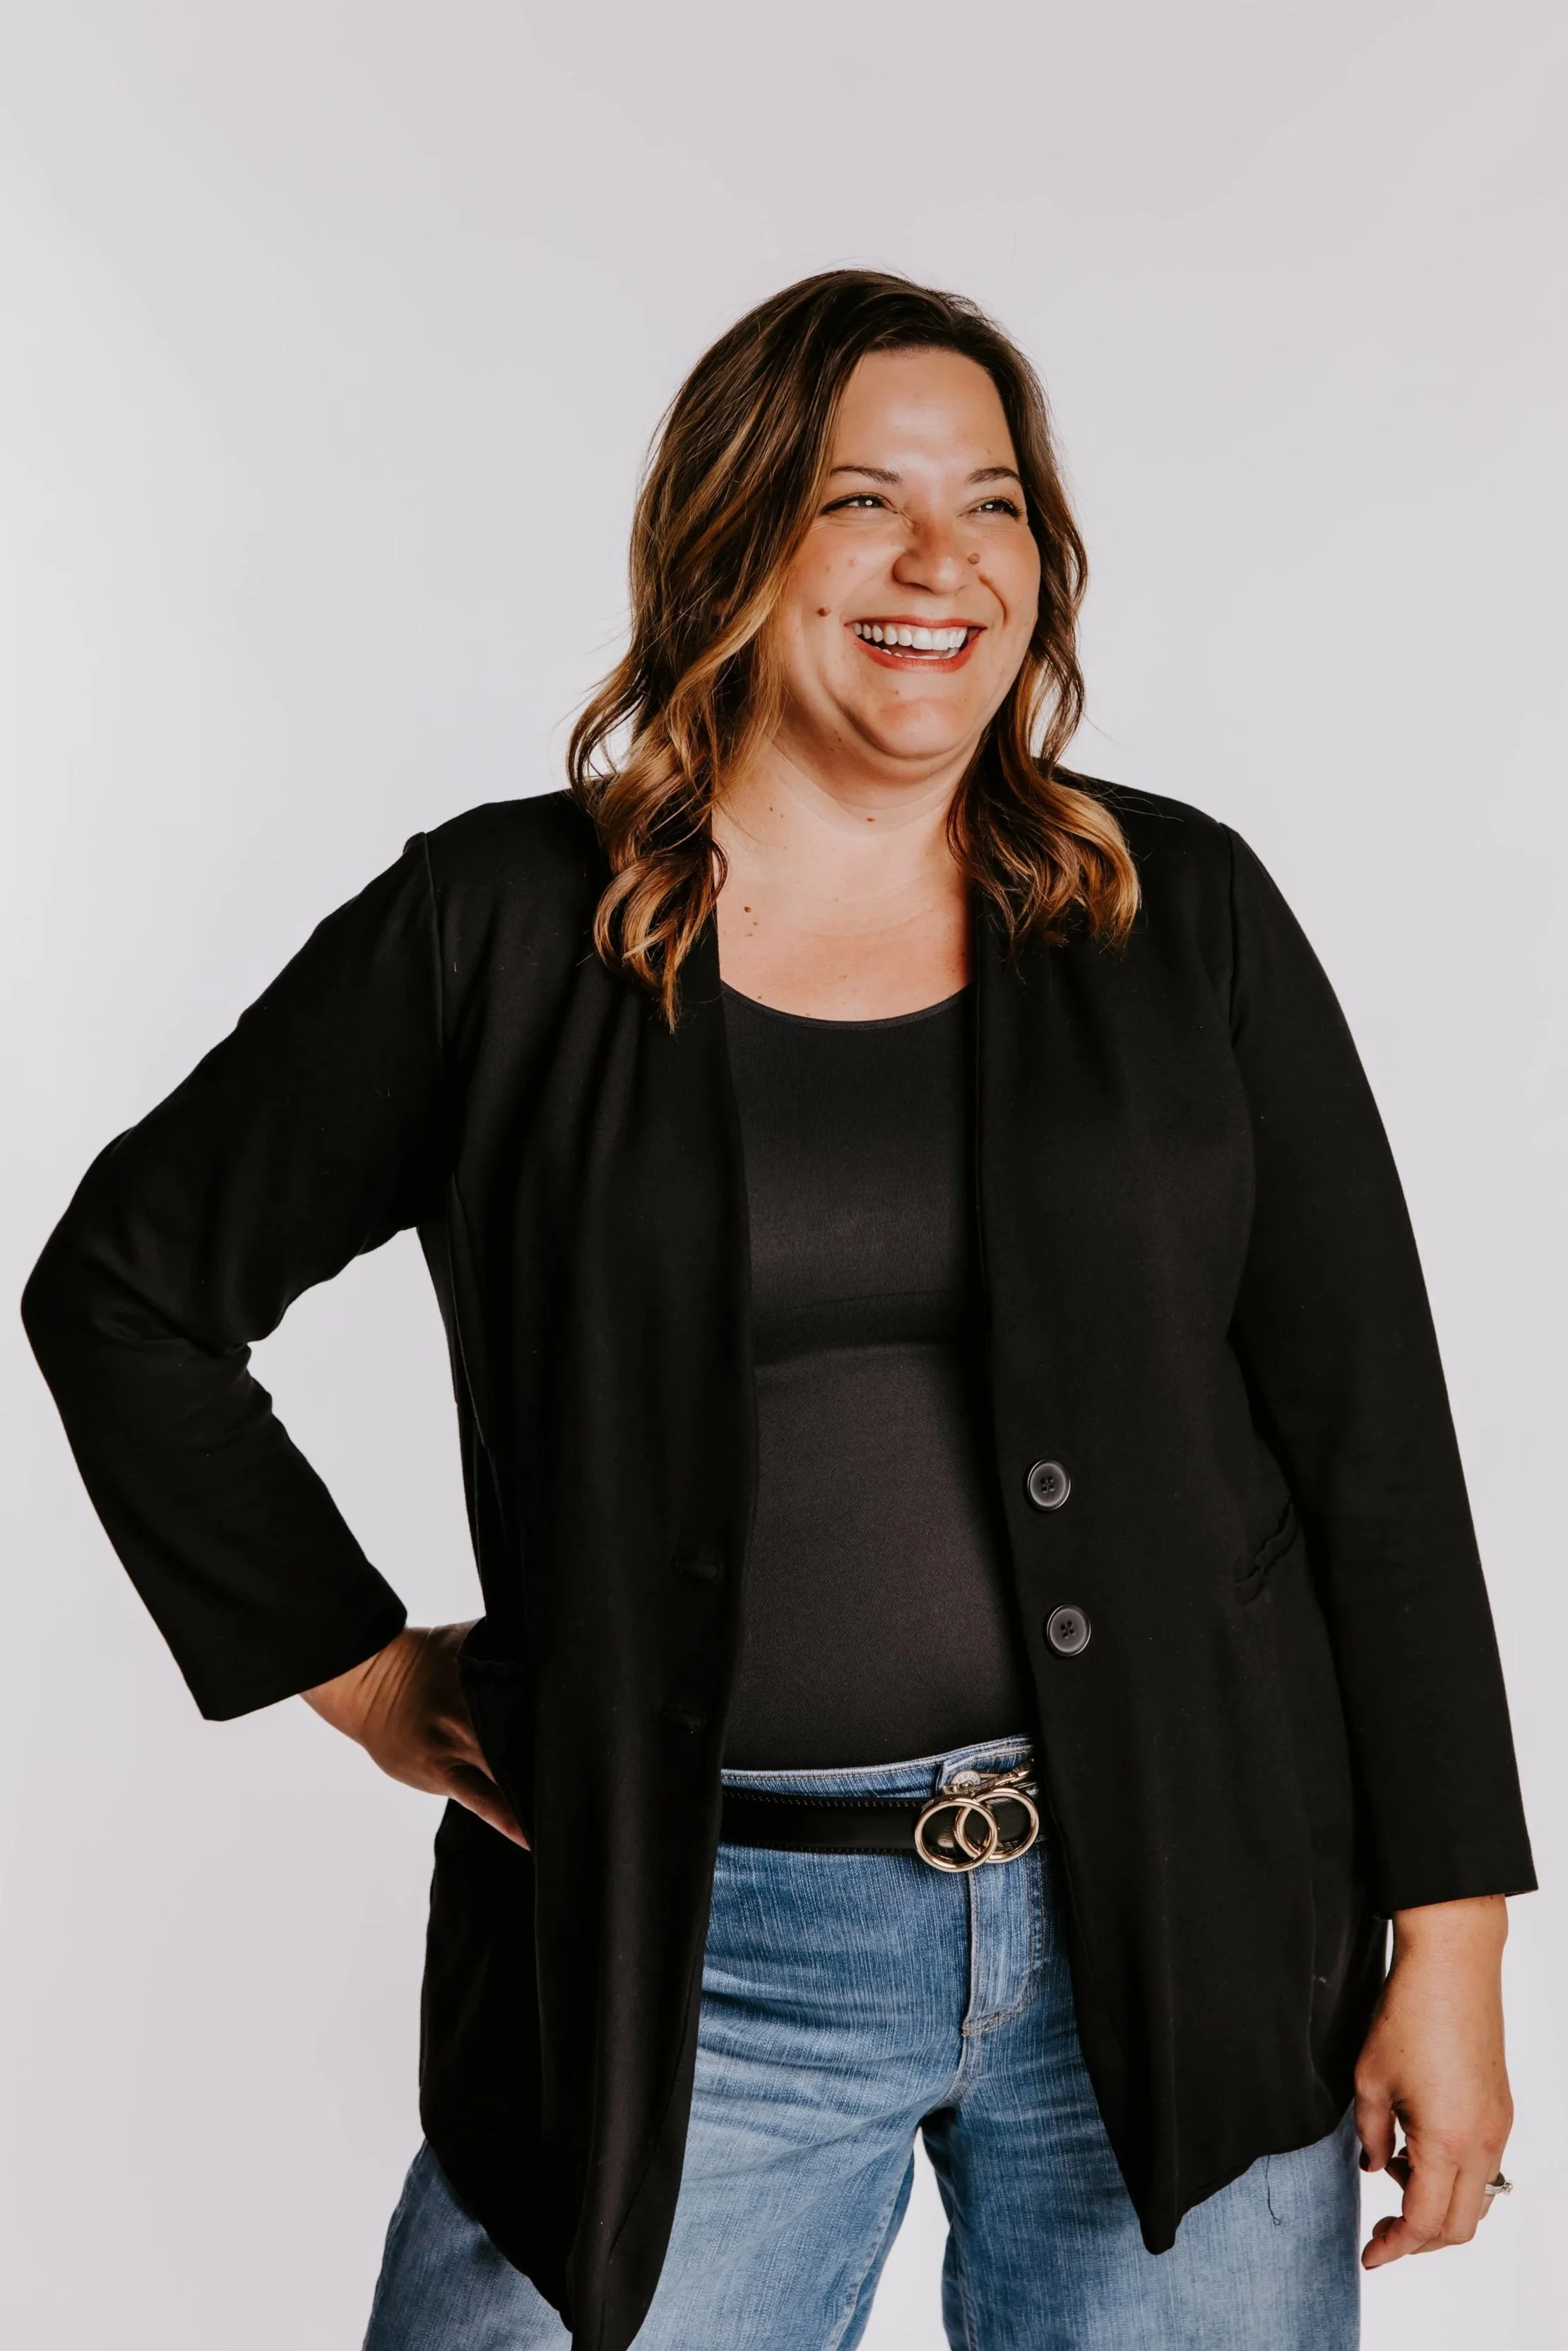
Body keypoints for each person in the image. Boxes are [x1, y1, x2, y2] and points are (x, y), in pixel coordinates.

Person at [23, 270, 1533, 2351]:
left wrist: (1447, 1944)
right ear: (737, 541)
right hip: (696, 1944)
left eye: (994, 507)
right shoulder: (496, 932)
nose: (944, 566)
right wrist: (361, 1673)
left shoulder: (1176, 917)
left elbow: (1373, 1449)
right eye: (864, 505)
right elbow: (126, 1293)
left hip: (1185, 1912)